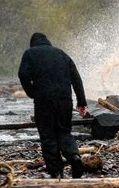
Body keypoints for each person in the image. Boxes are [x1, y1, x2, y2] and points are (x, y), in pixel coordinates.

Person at [18, 32, 88, 178]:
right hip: (64, 100)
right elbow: (76, 77)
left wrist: (32, 92)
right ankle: (74, 156)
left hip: (44, 100)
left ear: (33, 43)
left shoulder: (30, 54)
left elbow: (23, 74)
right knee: (64, 131)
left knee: (47, 134)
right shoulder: (61, 54)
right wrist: (81, 102)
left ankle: (56, 170)